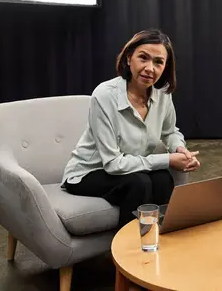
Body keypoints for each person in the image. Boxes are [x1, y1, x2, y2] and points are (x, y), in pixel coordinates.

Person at [62, 29, 200, 228]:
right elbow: (113, 164)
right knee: (138, 183)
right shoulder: (104, 95)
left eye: (158, 62)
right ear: (129, 58)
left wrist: (179, 149)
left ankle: (163, 241)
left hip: (131, 167)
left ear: (165, 67)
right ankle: (128, 252)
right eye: (143, 58)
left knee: (162, 178)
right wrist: (167, 159)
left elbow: (170, 132)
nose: (149, 68)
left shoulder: (162, 94)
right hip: (89, 173)